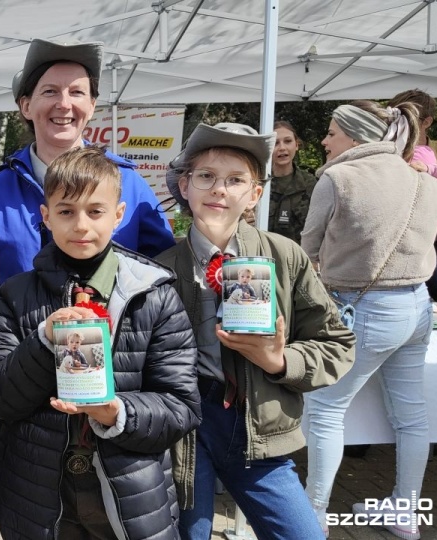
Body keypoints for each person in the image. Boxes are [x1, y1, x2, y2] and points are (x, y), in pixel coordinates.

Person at [0, 146, 199, 540]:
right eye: (65, 211)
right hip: (37, 492)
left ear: (119, 215)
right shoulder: (16, 295)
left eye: (95, 211)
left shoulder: (156, 294)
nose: (81, 225)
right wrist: (42, 342)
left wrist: (117, 412)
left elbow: (181, 406)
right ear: (45, 217)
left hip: (131, 490)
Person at [155, 122, 355, 540]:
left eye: (235, 180)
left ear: (254, 194)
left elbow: (336, 344)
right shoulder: (160, 268)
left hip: (259, 428)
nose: (219, 190)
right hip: (186, 433)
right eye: (206, 177)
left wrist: (280, 360)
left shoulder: (284, 256)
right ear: (185, 185)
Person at [0, 38, 175, 433]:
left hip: (118, 388)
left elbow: (163, 280)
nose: (64, 104)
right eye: (50, 91)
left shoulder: (128, 184)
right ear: (25, 106)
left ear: (92, 106)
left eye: (77, 92)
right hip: (25, 387)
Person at [301, 100, 437, 539]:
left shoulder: (339, 178)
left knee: (324, 410)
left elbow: (308, 249)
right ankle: (405, 511)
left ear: (356, 137)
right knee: (412, 417)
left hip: (363, 307)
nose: (324, 140)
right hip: (417, 306)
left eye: (332, 131)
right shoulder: (426, 183)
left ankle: (315, 513)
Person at [268, 120, 316, 241]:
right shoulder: (257, 183)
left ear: (296, 145)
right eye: (275, 143)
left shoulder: (311, 184)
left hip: (301, 256)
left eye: (288, 141)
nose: (282, 148)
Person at [389, 89, 437, 179]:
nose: (398, 123)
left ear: (426, 122)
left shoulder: (422, 152)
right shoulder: (426, 150)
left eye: (407, 118)